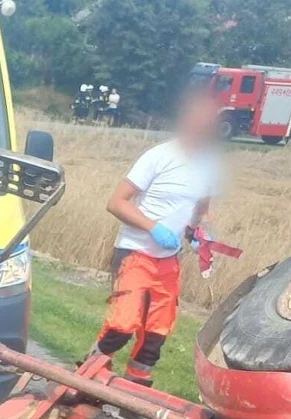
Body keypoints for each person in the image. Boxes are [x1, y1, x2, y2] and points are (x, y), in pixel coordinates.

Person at [92, 90, 222, 386]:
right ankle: (88, 380)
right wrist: (153, 227)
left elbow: (202, 212)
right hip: (135, 254)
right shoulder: (159, 156)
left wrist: (201, 233)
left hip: (168, 261)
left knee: (156, 333)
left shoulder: (209, 166)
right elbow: (116, 202)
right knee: (122, 326)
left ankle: (134, 395)